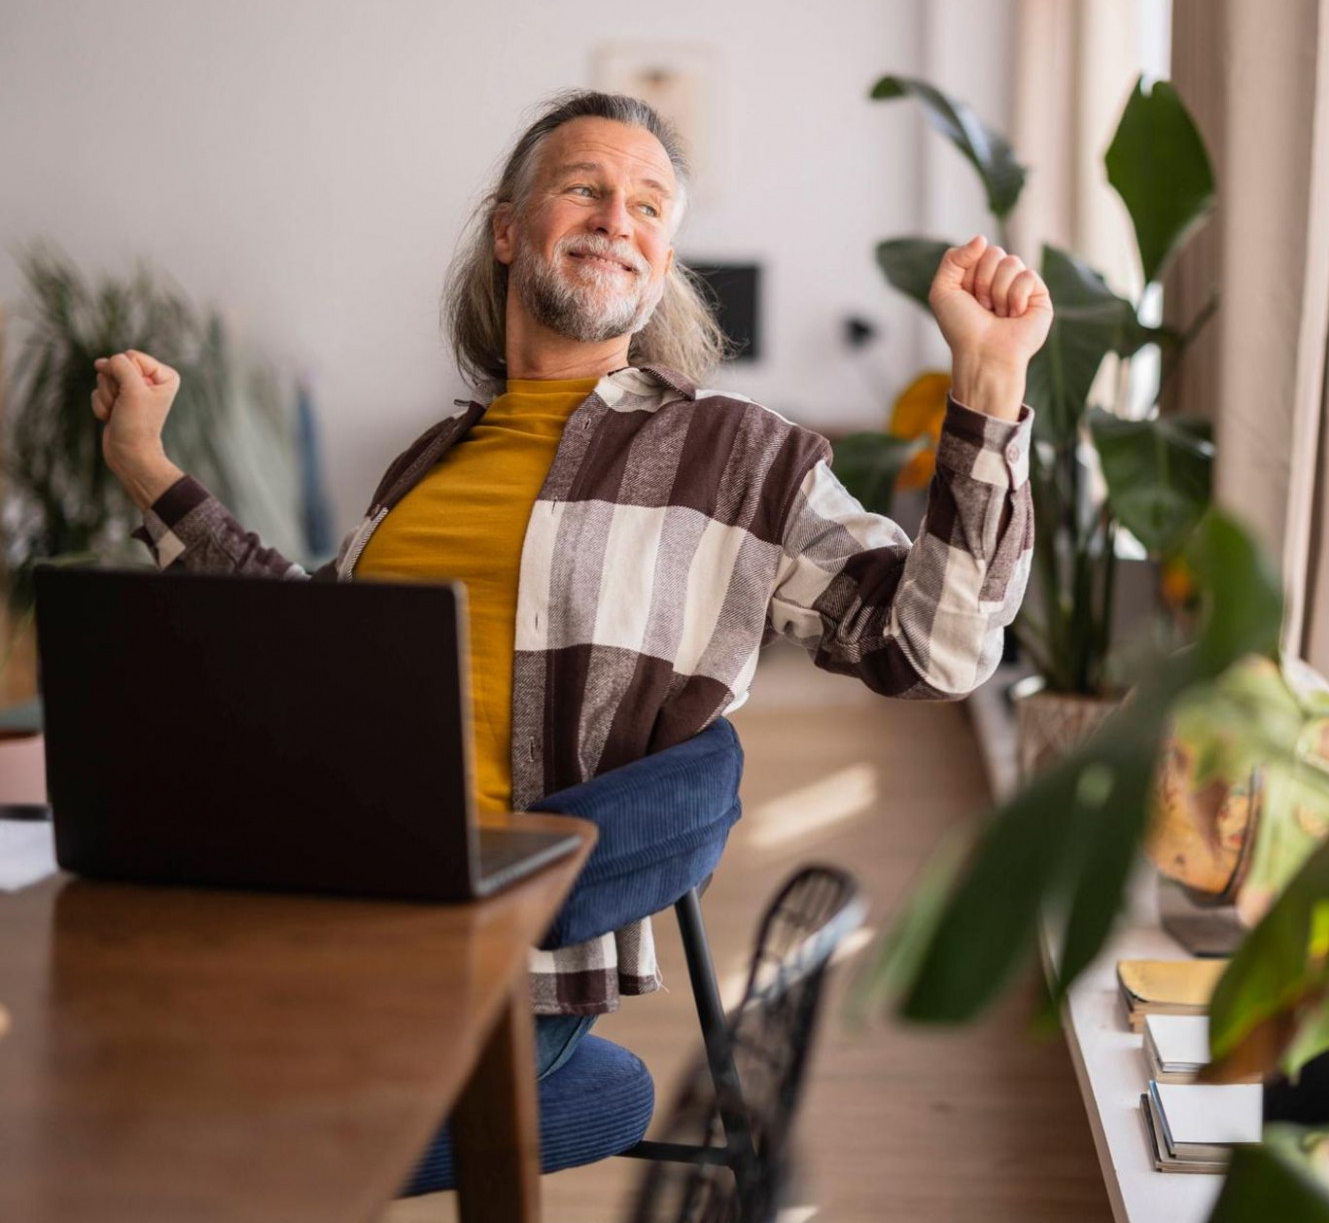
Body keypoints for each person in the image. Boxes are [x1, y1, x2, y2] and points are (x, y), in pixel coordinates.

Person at [91, 90, 1053, 1080]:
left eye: (646, 207)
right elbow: (296, 636)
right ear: (507, 231)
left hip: (490, 939)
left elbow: (939, 649)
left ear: (662, 265)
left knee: (190, 1101)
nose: (614, 220)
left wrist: (986, 382)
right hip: (309, 884)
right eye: (583, 188)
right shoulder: (428, 460)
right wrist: (143, 464)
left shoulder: (736, 455)